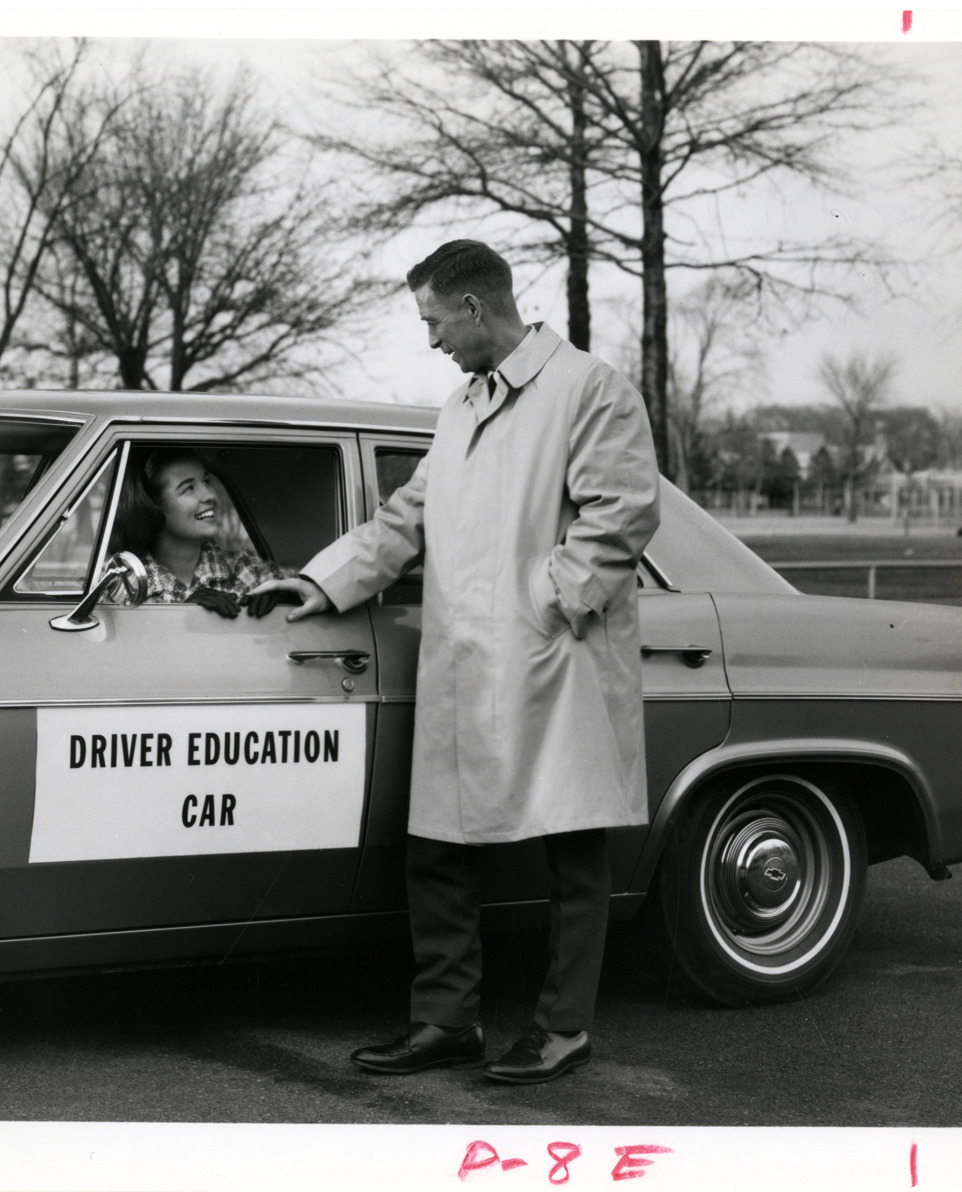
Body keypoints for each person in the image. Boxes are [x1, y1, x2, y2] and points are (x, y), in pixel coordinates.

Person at [249, 240, 660, 1084]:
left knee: (571, 848)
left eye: (434, 320)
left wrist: (546, 604)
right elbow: (408, 516)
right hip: (465, 660)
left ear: (474, 307)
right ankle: (446, 1021)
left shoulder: (589, 388)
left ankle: (563, 1029)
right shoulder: (461, 406)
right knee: (435, 845)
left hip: (553, 659)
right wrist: (321, 582)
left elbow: (620, 514)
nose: (431, 339)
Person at [112, 447, 294, 618]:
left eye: (206, 481)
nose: (210, 495)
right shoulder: (124, 585)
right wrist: (181, 616)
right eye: (188, 488)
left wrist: (288, 597)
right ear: (152, 507)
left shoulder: (242, 567)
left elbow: (307, 587)